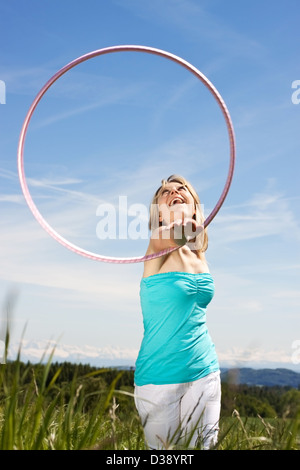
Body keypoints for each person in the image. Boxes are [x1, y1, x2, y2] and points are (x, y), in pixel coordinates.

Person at [134, 174, 221, 450]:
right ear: (158, 214)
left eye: (182, 188)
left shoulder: (199, 255)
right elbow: (178, 233)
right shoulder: (157, 245)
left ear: (195, 205)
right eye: (165, 192)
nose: (174, 191)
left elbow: (192, 236)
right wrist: (190, 225)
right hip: (159, 380)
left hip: (205, 370)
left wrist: (195, 228)